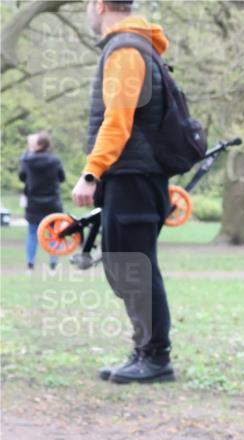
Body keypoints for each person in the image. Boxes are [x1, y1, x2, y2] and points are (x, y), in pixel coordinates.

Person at [71, 0, 174, 383]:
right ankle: (145, 351)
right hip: (134, 174)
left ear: (99, 5)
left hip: (133, 174)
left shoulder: (128, 49)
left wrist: (92, 171)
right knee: (125, 263)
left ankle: (155, 357)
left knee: (133, 265)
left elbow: (118, 117)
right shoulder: (131, 45)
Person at [18, 131, 64, 276]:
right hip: (52, 202)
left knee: (32, 233)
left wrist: (28, 150)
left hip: (33, 202)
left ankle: (30, 266)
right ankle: (53, 267)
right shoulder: (55, 161)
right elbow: (61, 178)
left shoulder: (27, 161)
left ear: (37, 145)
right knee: (54, 234)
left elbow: (21, 176)